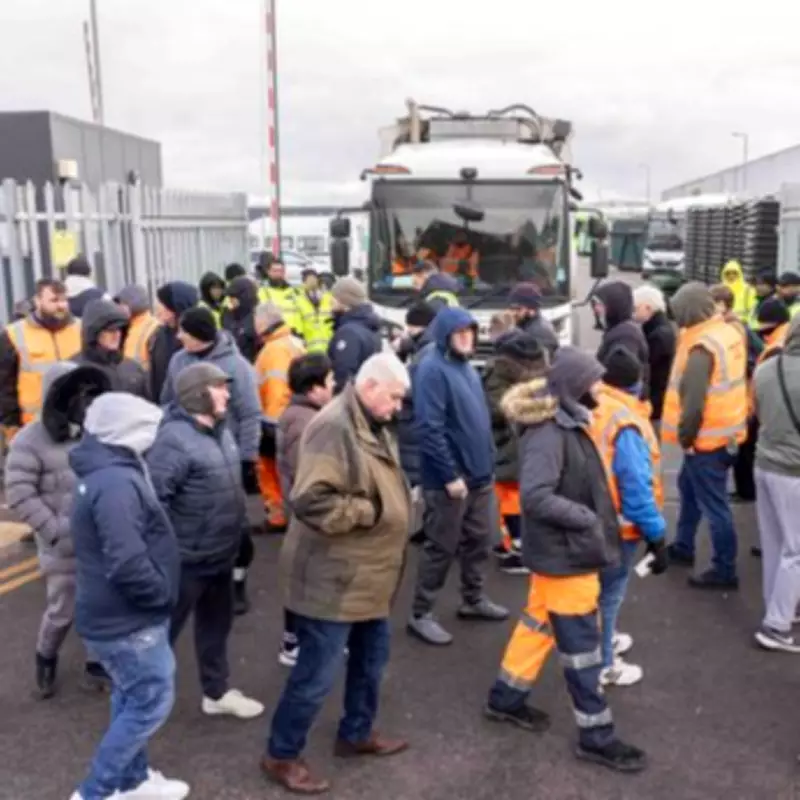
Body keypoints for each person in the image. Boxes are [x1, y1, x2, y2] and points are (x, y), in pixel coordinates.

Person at [484, 346, 646, 774]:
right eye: (594, 380)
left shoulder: (559, 421)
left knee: (537, 625)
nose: (600, 387)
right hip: (567, 556)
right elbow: (536, 497)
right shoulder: (551, 432)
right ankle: (597, 736)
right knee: (582, 649)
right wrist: (588, 519)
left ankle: (506, 698)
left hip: (559, 553)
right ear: (576, 387)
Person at [262, 353, 411, 794]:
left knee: (370, 662)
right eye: (395, 398)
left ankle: (357, 733)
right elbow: (310, 500)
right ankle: (281, 754)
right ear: (369, 387)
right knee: (315, 675)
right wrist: (371, 512)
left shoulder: (373, 422)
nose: (398, 407)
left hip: (367, 575)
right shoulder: (333, 426)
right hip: (335, 578)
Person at [68, 392, 188, 800]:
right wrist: (160, 595)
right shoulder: (117, 481)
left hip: (116, 616)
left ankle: (132, 783)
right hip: (129, 619)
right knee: (149, 702)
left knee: (130, 696)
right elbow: (126, 561)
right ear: (128, 434)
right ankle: (95, 792)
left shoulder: (109, 470)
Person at [148, 363, 264, 720]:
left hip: (220, 555)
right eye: (219, 387)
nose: (227, 393)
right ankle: (142, 702)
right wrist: (167, 552)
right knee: (161, 634)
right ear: (198, 394)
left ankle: (215, 693)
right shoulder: (174, 440)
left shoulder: (221, 430)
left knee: (216, 628)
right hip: (186, 561)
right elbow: (154, 502)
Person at [4, 362, 111, 698]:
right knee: (62, 610)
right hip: (60, 545)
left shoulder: (96, 433)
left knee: (99, 603)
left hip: (98, 540)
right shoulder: (28, 440)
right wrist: (56, 531)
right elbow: (20, 494)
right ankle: (45, 656)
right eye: (77, 393)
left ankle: (96, 665)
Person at [407, 306, 508, 646]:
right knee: (441, 547)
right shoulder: (432, 370)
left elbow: (475, 418)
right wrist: (450, 475)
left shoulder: (465, 367)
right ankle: (421, 613)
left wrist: (489, 460)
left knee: (478, 542)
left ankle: (473, 599)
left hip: (479, 477)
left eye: (470, 332)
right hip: (450, 482)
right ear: (445, 334)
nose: (467, 337)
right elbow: (429, 428)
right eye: (459, 332)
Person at [161, 306, 262, 613]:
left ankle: (237, 581)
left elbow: (249, 415)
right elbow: (166, 401)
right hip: (187, 456)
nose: (178, 336)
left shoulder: (237, 367)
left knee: (236, 527)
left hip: (225, 457)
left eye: (184, 332)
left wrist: (247, 459)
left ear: (199, 336)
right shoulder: (178, 360)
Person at [589, 347, 668, 687]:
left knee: (597, 592)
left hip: (593, 519)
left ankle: (604, 639)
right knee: (610, 593)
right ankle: (604, 662)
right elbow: (636, 489)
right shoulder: (627, 422)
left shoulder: (596, 406)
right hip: (621, 527)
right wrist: (657, 534)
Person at [663, 282, 748, 589]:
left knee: (715, 508)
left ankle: (724, 570)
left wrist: (686, 441)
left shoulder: (701, 347)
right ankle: (684, 546)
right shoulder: (726, 333)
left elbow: (694, 405)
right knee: (689, 489)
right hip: (727, 435)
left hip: (706, 442)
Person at [275, 353, 335, 667]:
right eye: (330, 380)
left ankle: (300, 640)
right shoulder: (306, 422)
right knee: (308, 579)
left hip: (304, 514)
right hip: (310, 517)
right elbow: (309, 476)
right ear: (314, 387)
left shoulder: (301, 415)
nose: (335, 385)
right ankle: (294, 643)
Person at [752, 316, 800, 651]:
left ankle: (779, 606)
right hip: (794, 471)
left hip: (764, 463)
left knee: (775, 545)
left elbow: (757, 412)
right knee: (796, 551)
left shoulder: (766, 367)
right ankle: (777, 625)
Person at [483, 330, 548, 574]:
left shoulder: (497, 374)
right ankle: (514, 544)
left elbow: (493, 409)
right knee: (521, 496)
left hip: (506, 444)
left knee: (509, 498)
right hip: (529, 444)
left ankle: (519, 550)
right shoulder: (542, 373)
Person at [0, 278, 82, 440]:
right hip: (33, 430)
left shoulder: (81, 329)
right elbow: (5, 387)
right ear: (37, 301)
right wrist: (12, 426)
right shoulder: (14, 335)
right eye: (54, 300)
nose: (61, 305)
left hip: (76, 426)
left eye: (65, 300)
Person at [253, 302, 306, 532]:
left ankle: (278, 516)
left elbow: (276, 390)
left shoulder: (273, 350)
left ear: (263, 323)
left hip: (274, 419)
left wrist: (270, 426)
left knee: (271, 469)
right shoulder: (294, 343)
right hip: (295, 416)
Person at [74, 299, 149, 398]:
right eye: (111, 330)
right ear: (93, 334)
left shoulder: (133, 369)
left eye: (120, 329)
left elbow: (148, 408)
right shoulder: (74, 371)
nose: (117, 335)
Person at [593, 280, 650, 398]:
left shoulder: (626, 335)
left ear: (614, 305)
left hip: (621, 402)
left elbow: (622, 376)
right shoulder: (621, 330)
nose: (596, 309)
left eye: (601, 304)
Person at [632, 284, 676, 433]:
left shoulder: (659, 336)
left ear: (648, 308)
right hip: (656, 401)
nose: (633, 313)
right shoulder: (658, 329)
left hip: (654, 404)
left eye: (636, 308)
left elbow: (647, 366)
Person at [328, 277, 383, 394]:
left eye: (334, 297)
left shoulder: (348, 333)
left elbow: (343, 374)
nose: (330, 300)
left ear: (344, 301)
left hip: (349, 400)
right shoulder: (369, 326)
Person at [148, 280, 199, 402]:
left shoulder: (194, 337)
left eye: (162, 303)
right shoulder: (159, 334)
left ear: (176, 307)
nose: (157, 307)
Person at [507, 282, 559, 357]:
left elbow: (539, 365)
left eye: (518, 309)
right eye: (511, 308)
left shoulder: (541, 332)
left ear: (531, 309)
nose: (513, 313)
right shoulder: (523, 325)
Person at [116, 285, 160, 369]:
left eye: (122, 304)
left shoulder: (153, 328)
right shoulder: (126, 326)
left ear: (133, 304)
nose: (119, 308)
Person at [257, 257, 303, 335]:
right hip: (273, 337)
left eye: (281, 271)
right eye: (275, 271)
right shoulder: (262, 293)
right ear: (268, 272)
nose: (278, 274)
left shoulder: (295, 292)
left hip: (295, 336)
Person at [222, 275, 261, 363]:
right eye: (229, 297)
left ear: (243, 297)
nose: (230, 300)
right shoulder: (228, 314)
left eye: (233, 297)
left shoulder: (258, 316)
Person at [296, 269, 335, 354]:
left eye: (314, 279)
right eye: (308, 279)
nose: (312, 282)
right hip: (309, 351)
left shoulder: (328, 298)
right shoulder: (298, 301)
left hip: (328, 349)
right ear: (304, 282)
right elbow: (298, 327)